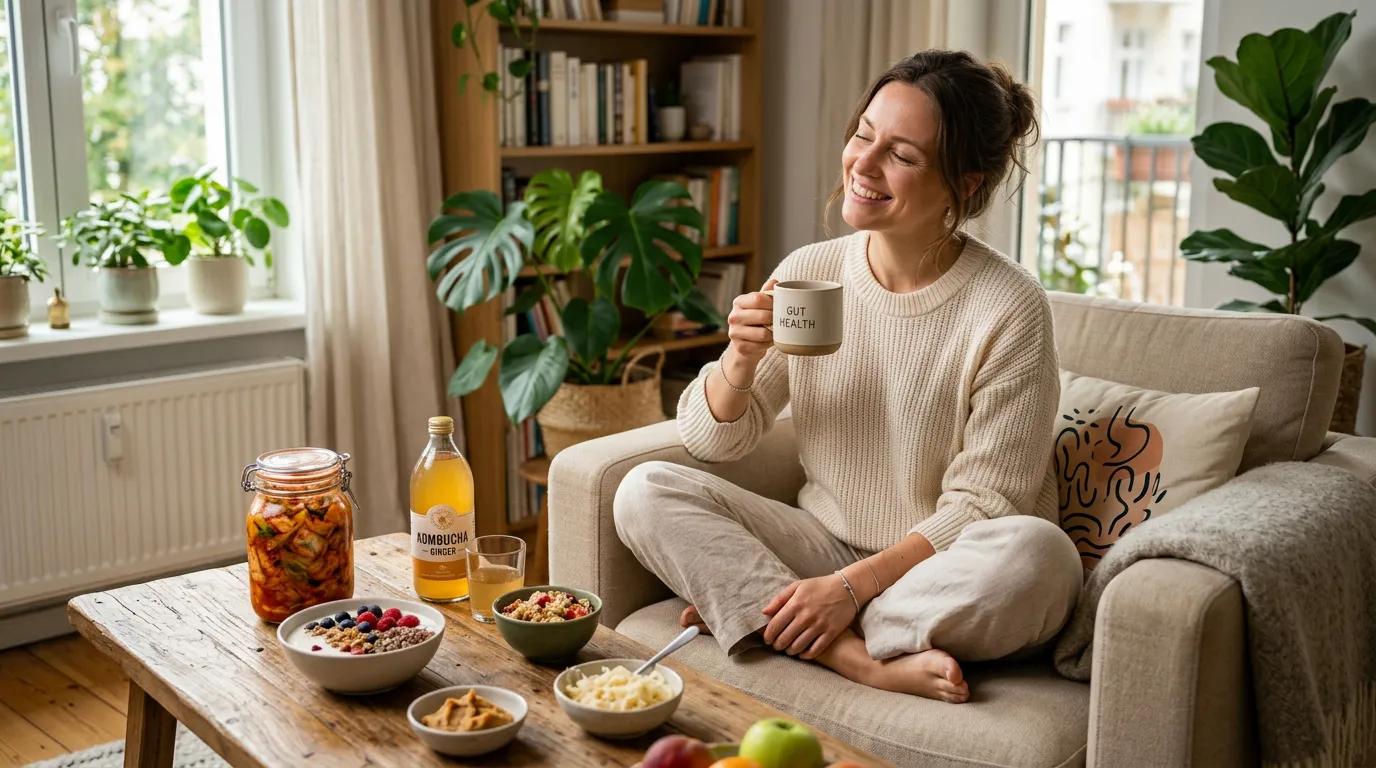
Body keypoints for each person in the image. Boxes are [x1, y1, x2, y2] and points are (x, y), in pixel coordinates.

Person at [614, 50, 1083, 704]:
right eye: (864, 134)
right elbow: (714, 443)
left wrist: (848, 590)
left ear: (964, 185)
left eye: (902, 155)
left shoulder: (1009, 307)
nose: (863, 163)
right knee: (643, 489)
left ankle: (767, 614)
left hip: (943, 572)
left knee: (1042, 558)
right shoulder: (814, 271)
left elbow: (985, 509)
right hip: (824, 547)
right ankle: (850, 655)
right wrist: (740, 361)